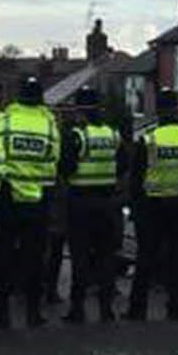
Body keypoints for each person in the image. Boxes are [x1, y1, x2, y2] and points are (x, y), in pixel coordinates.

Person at [0, 75, 61, 328]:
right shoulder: (49, 126)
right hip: (38, 198)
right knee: (34, 258)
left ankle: (1, 313)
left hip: (8, 197)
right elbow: (55, 158)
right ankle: (33, 313)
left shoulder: (5, 121)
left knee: (3, 257)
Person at [126, 90, 178, 320]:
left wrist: (135, 207)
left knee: (146, 256)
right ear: (177, 109)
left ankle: (138, 309)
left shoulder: (149, 139)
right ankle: (175, 309)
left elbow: (136, 177)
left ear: (158, 111)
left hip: (153, 204)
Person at [59, 86, 122, 322]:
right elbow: (123, 163)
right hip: (107, 202)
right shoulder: (112, 134)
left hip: (81, 202)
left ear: (80, 111)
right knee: (106, 256)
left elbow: (66, 168)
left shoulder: (77, 135)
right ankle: (106, 308)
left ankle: (78, 309)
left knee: (80, 256)